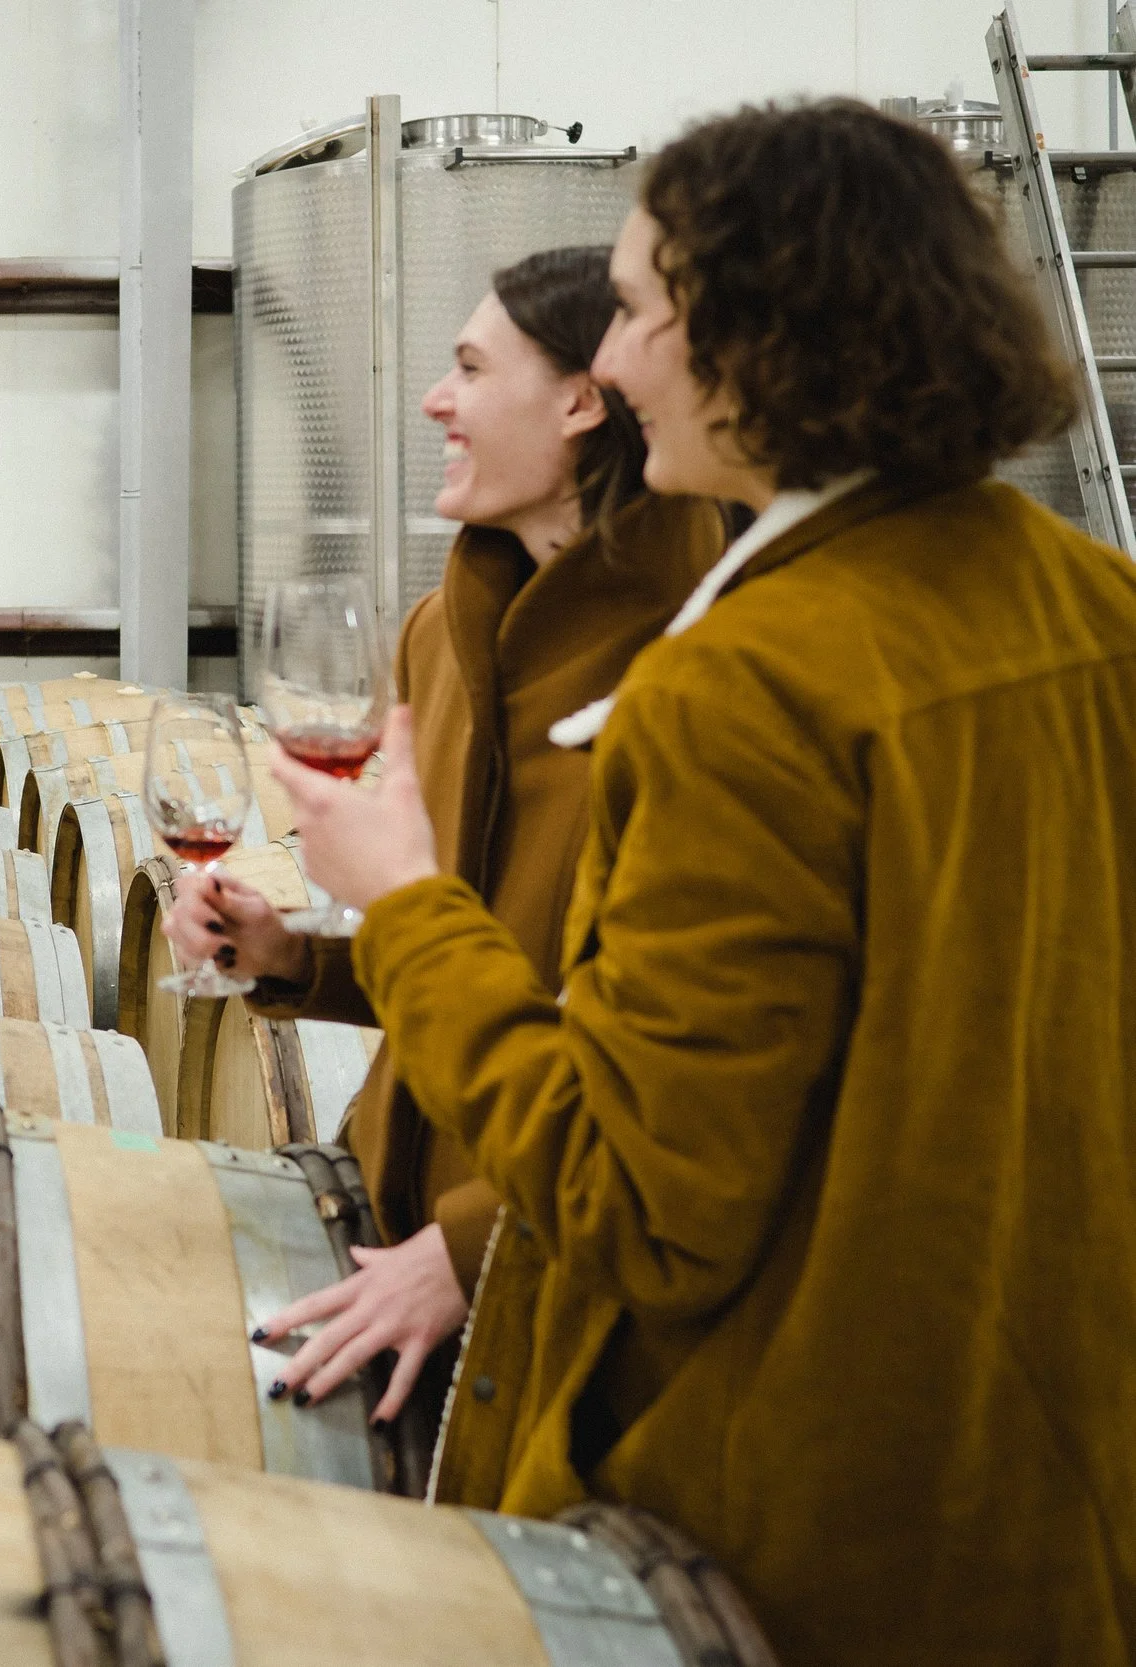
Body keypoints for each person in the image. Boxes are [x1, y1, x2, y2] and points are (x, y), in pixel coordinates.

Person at [248, 102, 1134, 1664]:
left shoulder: (738, 687)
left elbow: (639, 1203)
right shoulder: (1095, 597)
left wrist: (401, 908)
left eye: (650, 314)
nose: (631, 359)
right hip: (1048, 1474)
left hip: (787, 1522)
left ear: (758, 336)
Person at [166, 247, 725, 1437]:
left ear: (584, 400)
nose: (433, 398)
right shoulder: (440, 630)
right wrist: (290, 955)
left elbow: (706, 1080)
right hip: (379, 1200)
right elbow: (468, 954)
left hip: (561, 1268)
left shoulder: (703, 659)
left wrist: (473, 1248)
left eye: (469, 367)